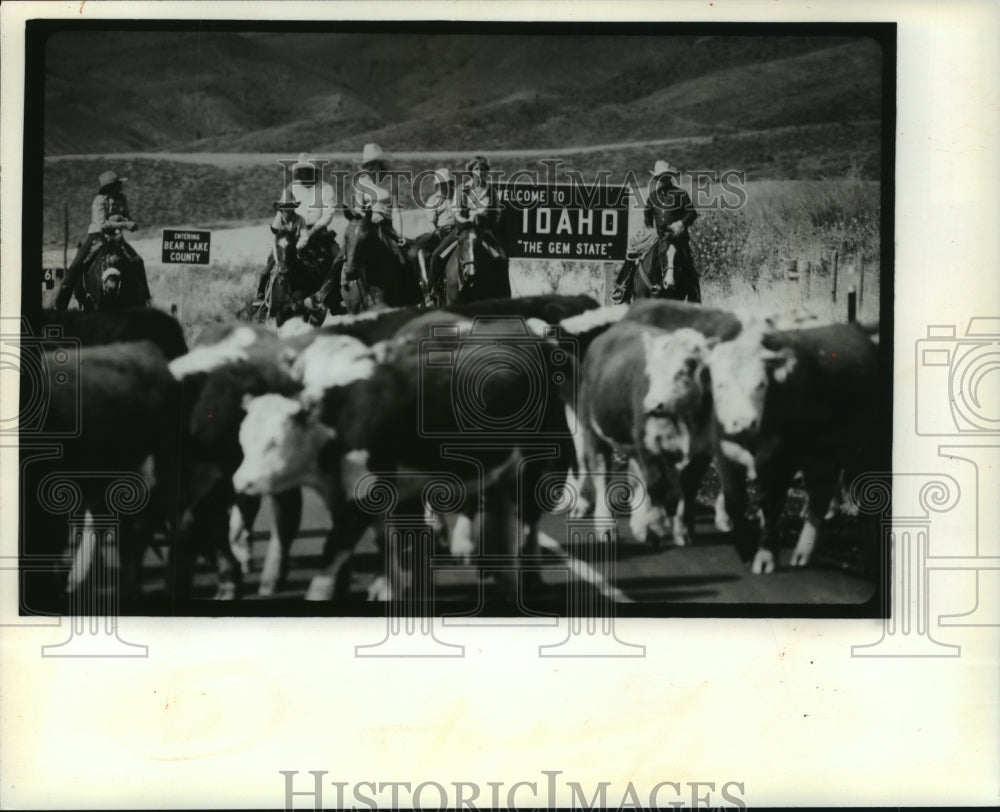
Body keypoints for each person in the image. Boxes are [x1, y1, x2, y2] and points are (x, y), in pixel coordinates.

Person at [56, 170, 152, 310]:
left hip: (116, 238)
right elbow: (103, 225)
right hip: (97, 237)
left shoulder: (122, 199)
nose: (120, 187)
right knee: (75, 267)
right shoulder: (99, 201)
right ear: (110, 187)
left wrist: (121, 220)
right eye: (118, 184)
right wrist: (123, 223)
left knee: (138, 261)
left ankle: (145, 300)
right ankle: (60, 306)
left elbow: (127, 216)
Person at [612, 160, 700, 302]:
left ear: (670, 177)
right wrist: (648, 230)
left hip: (678, 240)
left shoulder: (681, 194)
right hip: (658, 238)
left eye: (666, 176)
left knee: (689, 266)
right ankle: (623, 288)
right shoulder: (652, 196)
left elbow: (692, 213)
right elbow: (647, 217)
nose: (663, 179)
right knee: (634, 255)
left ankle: (695, 296)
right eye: (661, 176)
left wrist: (681, 223)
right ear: (657, 178)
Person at [255, 152, 338, 304]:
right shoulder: (291, 188)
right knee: (271, 261)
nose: (302, 174)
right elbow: (282, 212)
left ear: (315, 171)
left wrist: (313, 230)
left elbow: (328, 214)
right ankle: (262, 297)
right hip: (293, 232)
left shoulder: (326, 188)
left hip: (318, 232)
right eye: (300, 171)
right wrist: (277, 229)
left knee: (338, 258)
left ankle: (334, 298)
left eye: (306, 170)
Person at [426, 156, 505, 302]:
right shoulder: (462, 189)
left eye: (482, 169)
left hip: (483, 231)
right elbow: (456, 213)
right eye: (476, 169)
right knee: (437, 255)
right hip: (462, 230)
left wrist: (485, 220)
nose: (479, 172)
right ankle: (431, 292)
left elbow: (497, 214)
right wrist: (467, 221)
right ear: (471, 171)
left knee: (501, 257)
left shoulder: (491, 190)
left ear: (486, 172)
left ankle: (504, 294)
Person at [414, 168, 457, 303]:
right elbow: (430, 222)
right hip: (441, 232)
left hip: (458, 231)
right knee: (432, 255)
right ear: (437, 186)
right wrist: (436, 232)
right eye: (442, 184)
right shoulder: (433, 200)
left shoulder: (458, 198)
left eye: (448, 183)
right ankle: (431, 289)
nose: (445, 186)